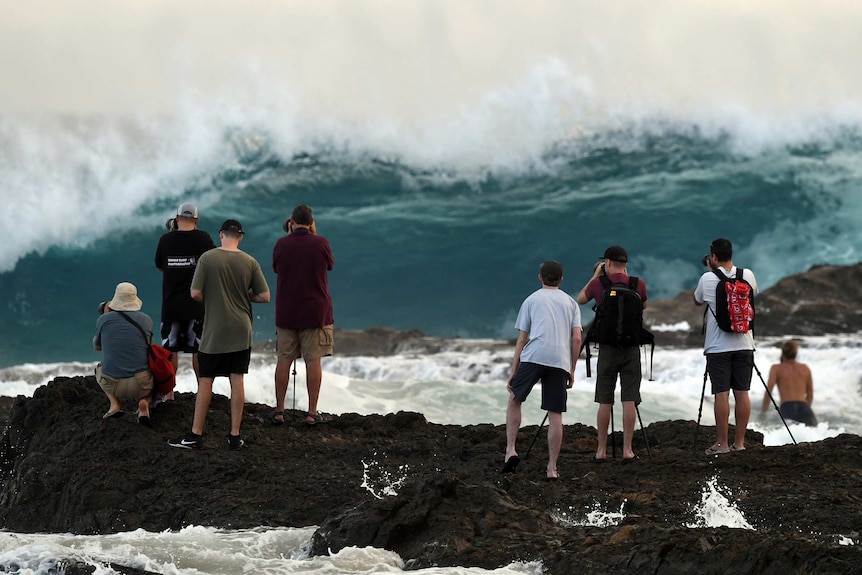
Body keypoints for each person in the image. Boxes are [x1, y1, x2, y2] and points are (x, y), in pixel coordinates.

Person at [168, 219, 270, 450]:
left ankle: (196, 435)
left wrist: (213, 299)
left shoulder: (208, 258)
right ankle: (234, 436)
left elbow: (194, 293)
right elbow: (264, 296)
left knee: (206, 380)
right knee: (237, 378)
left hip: (215, 328)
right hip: (242, 329)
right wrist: (245, 297)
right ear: (240, 236)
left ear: (221, 234)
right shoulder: (250, 261)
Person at [503, 260, 581, 479]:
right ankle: (552, 468)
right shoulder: (570, 303)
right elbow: (576, 338)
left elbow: (522, 339)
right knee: (555, 414)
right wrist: (572, 369)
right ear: (561, 279)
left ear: (540, 277)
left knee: (515, 399)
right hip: (559, 360)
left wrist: (513, 369)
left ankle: (511, 450)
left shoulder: (531, 300)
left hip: (534, 356)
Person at [576, 246, 648, 463]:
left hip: (607, 350)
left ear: (607, 262)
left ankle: (601, 451)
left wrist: (596, 276)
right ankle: (627, 450)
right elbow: (643, 306)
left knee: (605, 401)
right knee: (629, 400)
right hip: (631, 350)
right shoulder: (638, 284)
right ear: (625, 264)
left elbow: (580, 299)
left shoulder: (599, 284)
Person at [271, 204, 335, 426]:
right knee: (312, 361)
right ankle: (311, 412)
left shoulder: (281, 244)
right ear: (311, 222)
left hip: (287, 312)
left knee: (284, 360)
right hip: (315, 312)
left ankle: (279, 410)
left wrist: (290, 237)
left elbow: (277, 267)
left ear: (291, 222)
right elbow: (329, 265)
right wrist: (314, 235)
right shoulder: (321, 244)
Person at [694, 238, 758, 454]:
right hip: (745, 344)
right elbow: (753, 294)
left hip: (717, 346)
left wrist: (709, 271)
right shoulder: (747, 275)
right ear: (732, 254)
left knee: (722, 394)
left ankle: (721, 444)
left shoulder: (707, 278)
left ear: (713, 257)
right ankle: (739, 443)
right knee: (742, 393)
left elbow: (697, 300)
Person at [154, 202, 215, 391]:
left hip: (171, 304)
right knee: (198, 350)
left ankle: (169, 392)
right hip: (196, 304)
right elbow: (212, 264)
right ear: (196, 219)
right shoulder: (204, 239)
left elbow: (159, 266)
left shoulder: (165, 240)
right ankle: (202, 391)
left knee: (171, 350)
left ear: (177, 217)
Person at [93, 282, 155, 426]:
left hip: (112, 384)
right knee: (157, 376)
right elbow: (149, 346)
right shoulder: (146, 320)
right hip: (141, 384)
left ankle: (114, 405)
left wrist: (106, 317)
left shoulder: (103, 320)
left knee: (98, 368)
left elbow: (97, 347)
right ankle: (144, 402)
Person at [762, 340, 817, 426]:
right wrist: (805, 408)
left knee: (789, 438)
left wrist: (763, 412)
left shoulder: (776, 368)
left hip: (787, 407)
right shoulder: (805, 368)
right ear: (796, 353)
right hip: (805, 408)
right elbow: (810, 395)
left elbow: (769, 392)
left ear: (783, 353)